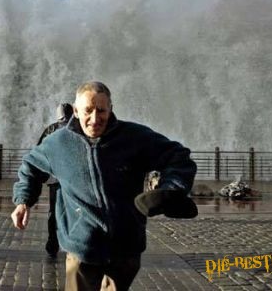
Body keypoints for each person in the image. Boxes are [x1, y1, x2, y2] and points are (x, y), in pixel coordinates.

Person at [12, 81, 197, 290]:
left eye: (101, 110)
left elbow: (178, 157)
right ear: (75, 110)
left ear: (111, 109)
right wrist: (23, 201)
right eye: (87, 110)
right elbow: (30, 166)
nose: (94, 119)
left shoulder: (134, 137)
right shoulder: (57, 143)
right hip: (81, 245)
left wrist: (170, 190)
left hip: (126, 245)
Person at [37, 103, 74, 257]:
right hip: (73, 178)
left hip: (55, 178)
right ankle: (71, 242)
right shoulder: (78, 127)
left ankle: (52, 243)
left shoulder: (50, 129)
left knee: (53, 211)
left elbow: (39, 152)